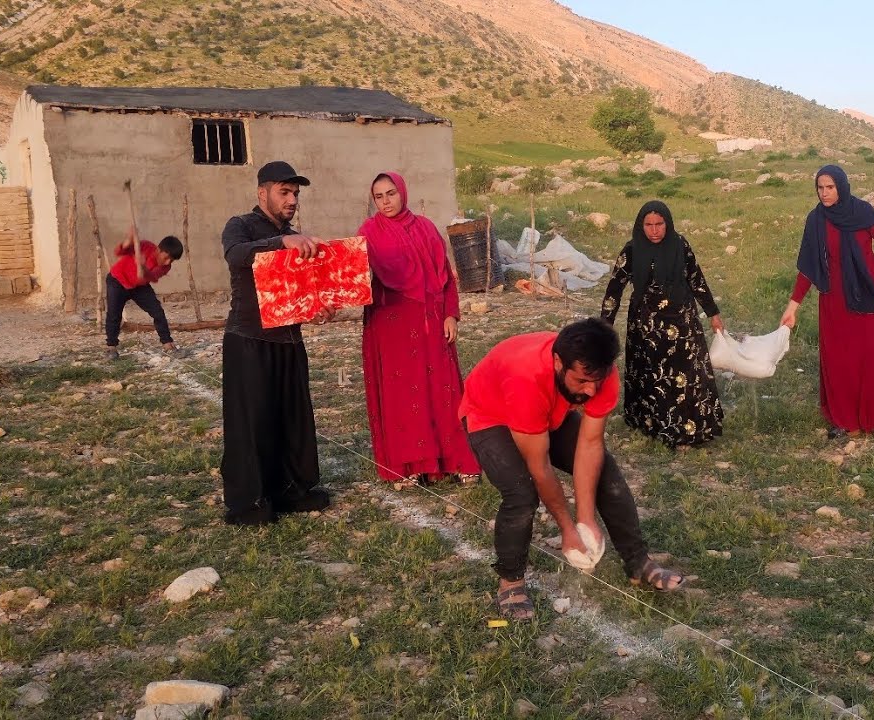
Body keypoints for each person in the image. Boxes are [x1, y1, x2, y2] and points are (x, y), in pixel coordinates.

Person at [458, 317, 686, 621]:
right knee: (521, 493)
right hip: (491, 414)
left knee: (606, 471)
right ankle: (510, 581)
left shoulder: (599, 370)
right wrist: (567, 528)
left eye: (597, 382)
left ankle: (638, 563)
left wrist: (586, 519)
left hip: (547, 412)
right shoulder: (524, 377)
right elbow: (539, 467)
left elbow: (590, 445)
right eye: (581, 381)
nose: (591, 391)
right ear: (557, 363)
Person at [219, 161, 335, 526]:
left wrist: (317, 309)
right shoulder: (240, 226)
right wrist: (280, 241)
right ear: (262, 193)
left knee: (291, 418)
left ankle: (292, 490)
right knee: (252, 422)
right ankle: (250, 501)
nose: (292, 200)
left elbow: (299, 292)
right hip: (248, 340)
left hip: (288, 339)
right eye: (284, 192)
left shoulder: (296, 238)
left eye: (296, 193)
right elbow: (237, 256)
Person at [779, 164, 874, 438]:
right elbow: (808, 268)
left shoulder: (863, 211)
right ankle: (847, 422)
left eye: (830, 187)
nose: (824, 193)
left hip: (871, 291)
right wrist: (792, 306)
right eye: (820, 188)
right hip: (835, 297)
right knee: (840, 358)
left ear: (841, 186)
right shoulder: (816, 219)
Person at [357, 172, 480, 484]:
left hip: (431, 322)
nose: (386, 202)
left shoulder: (425, 228)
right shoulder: (368, 232)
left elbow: (446, 278)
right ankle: (409, 466)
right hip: (390, 325)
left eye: (391, 193)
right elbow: (358, 277)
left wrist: (450, 315)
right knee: (402, 395)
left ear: (403, 193)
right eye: (379, 196)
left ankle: (456, 461)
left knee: (443, 389)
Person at [600, 200, 725, 449]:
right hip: (646, 326)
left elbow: (696, 278)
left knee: (686, 373)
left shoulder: (680, 245)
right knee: (652, 374)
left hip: (683, 320)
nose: (654, 230)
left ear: (667, 224)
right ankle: (651, 423)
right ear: (641, 225)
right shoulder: (632, 250)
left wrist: (713, 312)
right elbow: (615, 288)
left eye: (659, 224)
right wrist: (604, 325)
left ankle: (689, 427)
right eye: (649, 225)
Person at [103, 228, 183, 360]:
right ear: (158, 250)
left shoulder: (166, 267)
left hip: (139, 286)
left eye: (172, 260)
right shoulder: (144, 246)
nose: (168, 262)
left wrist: (143, 267)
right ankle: (111, 348)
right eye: (166, 257)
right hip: (117, 280)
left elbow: (151, 277)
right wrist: (128, 241)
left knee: (158, 312)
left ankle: (168, 344)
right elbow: (119, 251)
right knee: (114, 314)